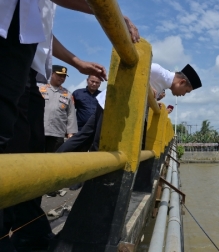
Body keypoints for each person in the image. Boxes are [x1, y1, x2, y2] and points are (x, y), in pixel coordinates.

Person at [0, 1, 140, 250]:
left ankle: (28, 229)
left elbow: (38, 30)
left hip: (29, 64)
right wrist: (108, 11)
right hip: (7, 40)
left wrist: (76, 61)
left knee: (28, 153)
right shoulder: (77, 92)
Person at [57, 62, 202, 153]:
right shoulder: (158, 70)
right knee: (98, 144)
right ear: (182, 82)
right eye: (186, 91)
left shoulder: (164, 84)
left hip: (112, 106)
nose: (184, 95)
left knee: (84, 138)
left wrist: (153, 100)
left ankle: (61, 168)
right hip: (112, 105)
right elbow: (130, 69)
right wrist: (145, 83)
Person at [39, 65, 78, 152]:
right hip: (39, 131)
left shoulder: (68, 94)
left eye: (64, 76)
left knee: (53, 160)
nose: (62, 78)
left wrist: (71, 133)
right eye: (59, 75)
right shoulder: (40, 89)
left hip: (57, 133)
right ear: (52, 74)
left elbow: (71, 115)